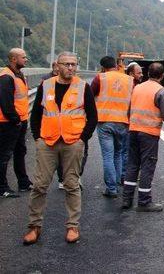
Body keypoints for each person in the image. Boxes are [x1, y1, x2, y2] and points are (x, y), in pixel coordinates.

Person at [24, 52, 98, 245]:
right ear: (57, 66)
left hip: (73, 142)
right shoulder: (45, 85)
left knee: (71, 184)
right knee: (40, 185)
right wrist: (37, 137)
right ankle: (34, 226)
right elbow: (37, 114)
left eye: (74, 64)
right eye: (67, 64)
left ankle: (72, 226)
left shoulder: (83, 87)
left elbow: (93, 116)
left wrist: (82, 139)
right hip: (47, 142)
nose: (71, 68)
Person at [122, 62, 164, 212]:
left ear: (148, 74)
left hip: (133, 130)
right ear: (162, 75)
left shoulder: (137, 88)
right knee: (147, 166)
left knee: (132, 164)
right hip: (149, 134)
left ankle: (127, 199)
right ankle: (144, 201)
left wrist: (130, 125)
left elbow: (129, 110)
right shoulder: (161, 91)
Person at [93, 56, 134, 198]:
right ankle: (117, 182)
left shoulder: (100, 78)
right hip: (123, 121)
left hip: (105, 121)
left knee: (108, 156)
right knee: (118, 154)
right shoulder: (129, 80)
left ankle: (111, 188)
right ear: (116, 65)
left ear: (103, 67)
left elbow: (90, 96)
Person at [0, 48, 32, 197]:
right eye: (23, 57)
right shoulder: (6, 77)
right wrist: (15, 120)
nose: (26, 59)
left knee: (20, 151)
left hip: (20, 120)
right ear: (14, 59)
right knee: (4, 155)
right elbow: (6, 103)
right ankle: (2, 188)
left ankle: (23, 182)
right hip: (8, 122)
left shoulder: (19, 74)